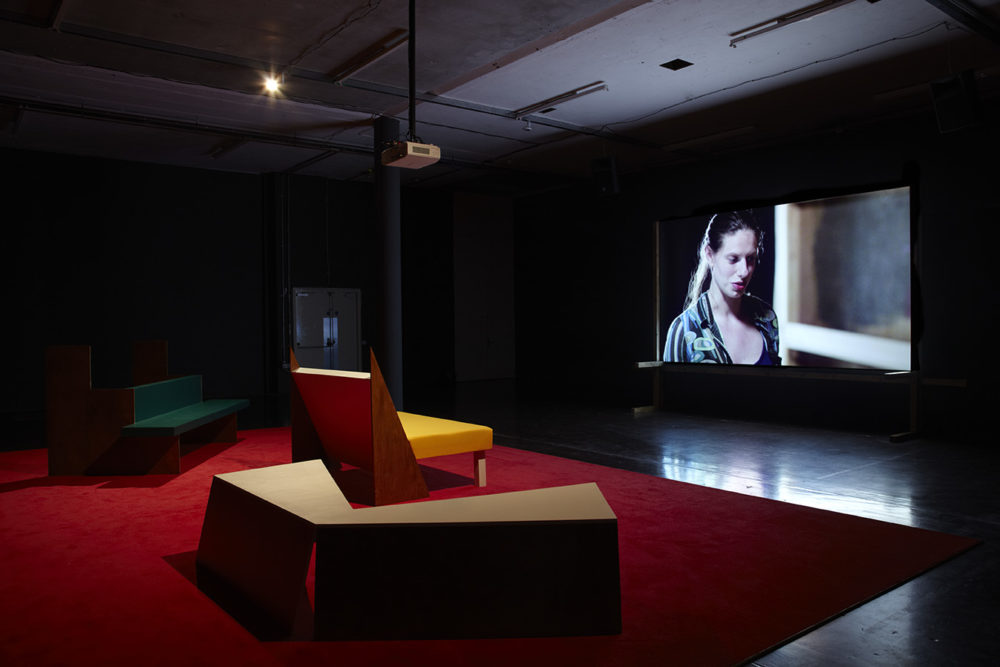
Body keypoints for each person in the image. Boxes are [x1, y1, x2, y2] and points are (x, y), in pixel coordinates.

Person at [663, 210, 780, 365]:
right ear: (709, 255)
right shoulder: (683, 330)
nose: (744, 271)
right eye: (733, 259)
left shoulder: (767, 319)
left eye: (750, 259)